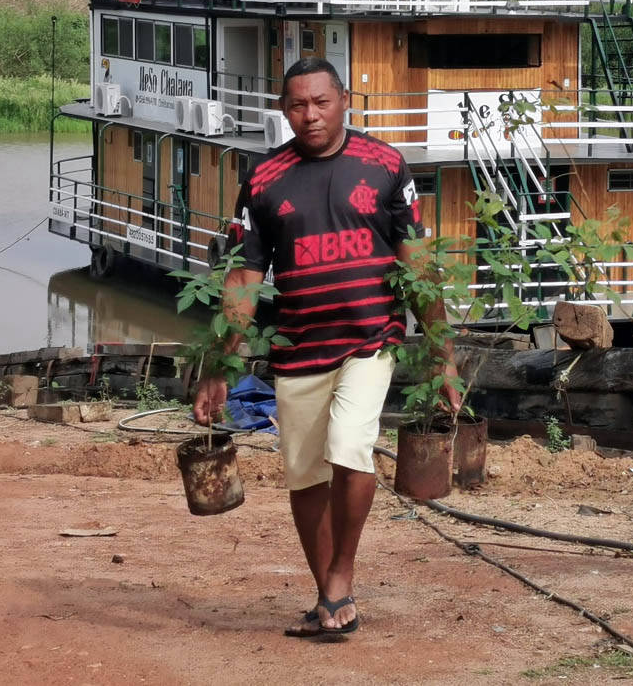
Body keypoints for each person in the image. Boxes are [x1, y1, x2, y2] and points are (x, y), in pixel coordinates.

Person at [193, 57, 459, 635]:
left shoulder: (385, 165)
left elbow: (418, 266)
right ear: (283, 109)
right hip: (297, 348)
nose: (309, 115)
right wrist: (218, 367)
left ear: (345, 100)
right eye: (296, 105)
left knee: (350, 445)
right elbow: (242, 280)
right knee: (304, 474)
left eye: (321, 102)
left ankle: (342, 572)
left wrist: (444, 355)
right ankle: (329, 599)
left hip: (370, 339)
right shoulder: (264, 179)